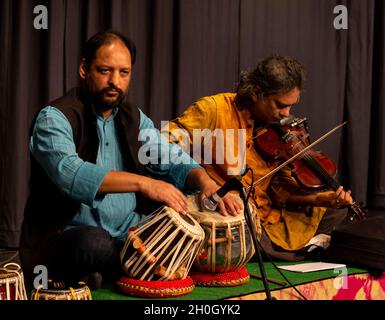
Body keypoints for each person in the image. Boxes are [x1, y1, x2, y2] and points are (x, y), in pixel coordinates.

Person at [19, 30, 242, 289]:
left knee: (190, 229)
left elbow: (171, 157)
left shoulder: (132, 117)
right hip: (66, 236)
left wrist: (206, 182)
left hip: (129, 232)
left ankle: (121, 268)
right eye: (105, 70)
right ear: (84, 69)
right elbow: (71, 174)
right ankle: (131, 268)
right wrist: (144, 183)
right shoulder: (55, 118)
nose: (115, 81)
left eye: (123, 73)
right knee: (95, 244)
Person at [162, 55, 353, 261]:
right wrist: (204, 182)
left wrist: (318, 199)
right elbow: (163, 144)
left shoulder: (278, 130)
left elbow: (278, 195)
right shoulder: (214, 109)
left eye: (291, 106)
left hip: (268, 216)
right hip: (230, 212)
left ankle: (296, 247)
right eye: (280, 105)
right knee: (245, 231)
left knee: (337, 213)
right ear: (256, 93)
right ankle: (303, 249)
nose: (286, 114)